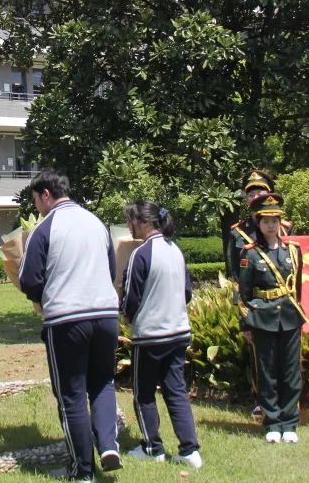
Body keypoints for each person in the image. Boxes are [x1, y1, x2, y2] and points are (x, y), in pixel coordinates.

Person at [19, 170, 121, 481]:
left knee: (72, 394)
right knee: (103, 382)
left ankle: (83, 470)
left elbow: (28, 279)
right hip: (105, 314)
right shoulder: (97, 223)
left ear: (46, 194)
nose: (36, 206)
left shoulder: (45, 227)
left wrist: (41, 298)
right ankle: (107, 444)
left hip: (66, 318)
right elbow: (112, 268)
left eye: (36, 200)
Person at [120, 200, 202, 468]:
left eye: (131, 221)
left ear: (144, 223)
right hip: (178, 331)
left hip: (150, 335)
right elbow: (187, 292)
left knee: (143, 394)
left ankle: (152, 447)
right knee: (176, 391)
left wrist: (126, 316)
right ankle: (190, 450)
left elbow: (130, 297)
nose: (129, 227)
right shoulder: (175, 250)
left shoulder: (141, 254)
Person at [237, 192, 306, 443]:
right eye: (266, 221)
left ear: (280, 222)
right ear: (259, 222)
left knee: (290, 371)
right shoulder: (250, 254)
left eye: (275, 220)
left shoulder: (294, 251)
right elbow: (243, 293)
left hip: (289, 317)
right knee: (267, 372)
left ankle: (289, 423)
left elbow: (297, 288)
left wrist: (298, 313)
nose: (271, 225)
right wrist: (246, 323)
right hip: (262, 318)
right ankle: (272, 423)